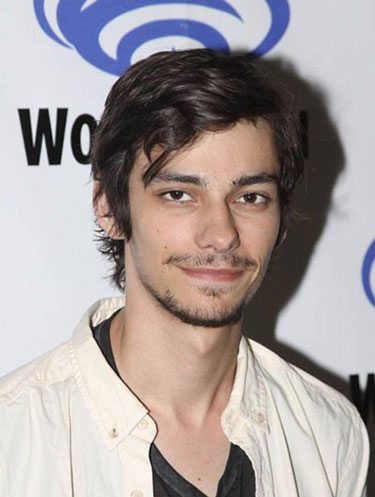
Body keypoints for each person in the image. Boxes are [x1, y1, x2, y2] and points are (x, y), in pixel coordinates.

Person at [0, 49, 369, 497]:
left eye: (251, 197)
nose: (222, 235)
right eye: (179, 194)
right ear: (108, 207)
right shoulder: (13, 437)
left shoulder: (329, 434)